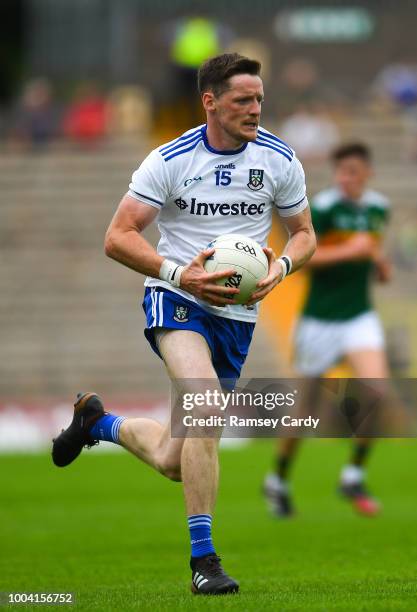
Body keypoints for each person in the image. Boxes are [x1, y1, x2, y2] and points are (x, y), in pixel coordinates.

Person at [52, 53, 316, 595]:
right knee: (207, 404)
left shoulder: (280, 159)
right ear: (210, 101)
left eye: (260, 99)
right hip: (176, 300)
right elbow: (118, 236)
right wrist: (179, 274)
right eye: (243, 100)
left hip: (238, 317)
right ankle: (204, 561)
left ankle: (98, 423)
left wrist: (285, 265)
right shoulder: (169, 160)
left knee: (177, 460)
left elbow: (305, 231)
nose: (255, 109)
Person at [264, 143, 391, 518]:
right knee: (305, 410)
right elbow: (307, 257)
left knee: (377, 391)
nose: (345, 178)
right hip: (319, 319)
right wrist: (352, 252)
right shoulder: (322, 208)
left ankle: (353, 474)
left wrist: (378, 263)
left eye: (353, 171)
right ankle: (279, 479)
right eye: (341, 172)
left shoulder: (378, 208)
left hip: (358, 317)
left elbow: (369, 248)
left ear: (367, 173)